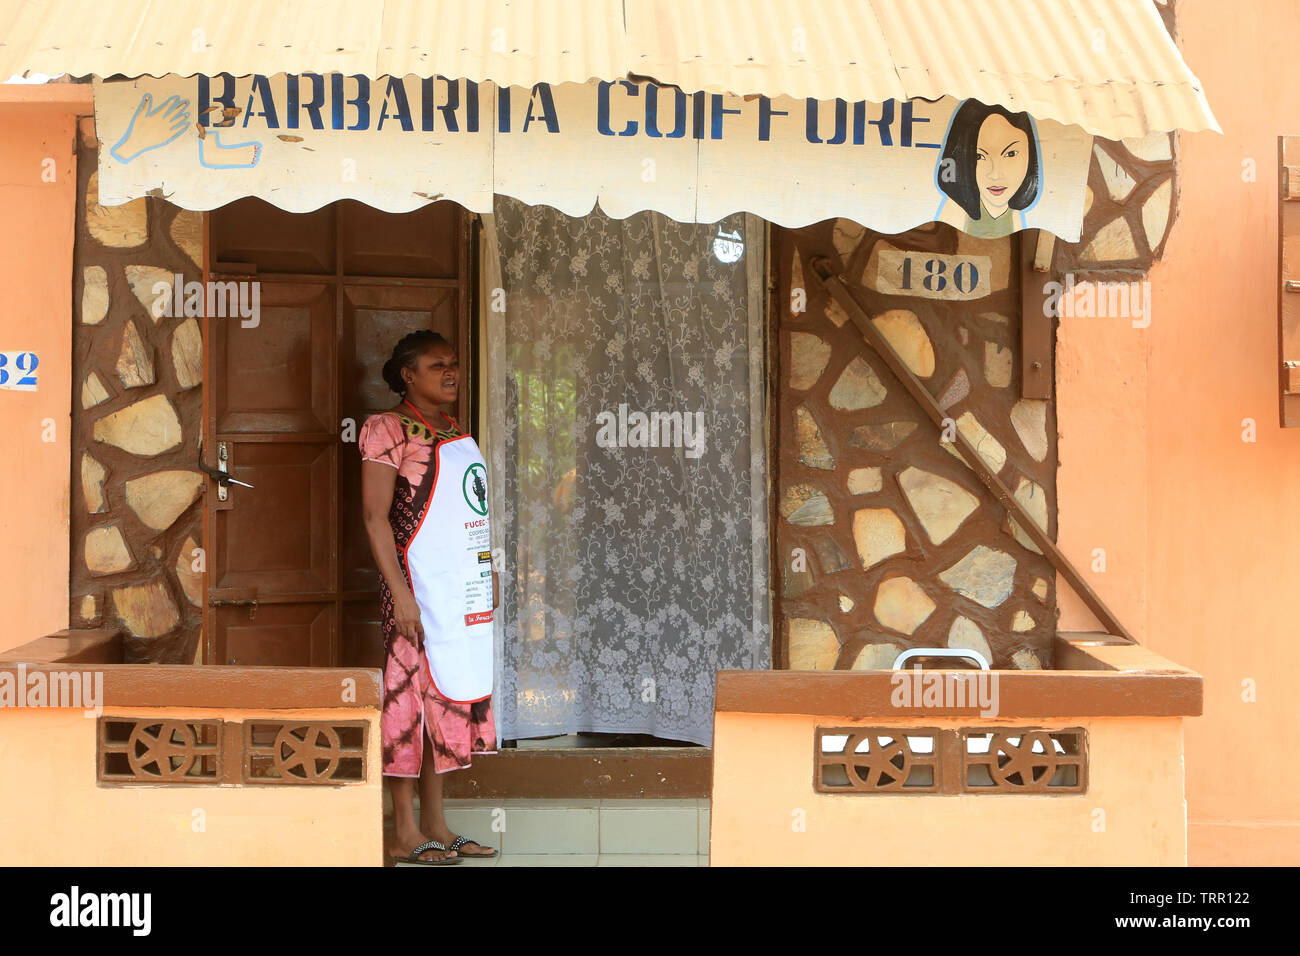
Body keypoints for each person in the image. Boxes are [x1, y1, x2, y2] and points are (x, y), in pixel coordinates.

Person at [359, 329, 499, 865]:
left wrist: (487, 578)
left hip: (461, 591)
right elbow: (375, 517)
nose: (451, 372)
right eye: (437, 365)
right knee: (407, 703)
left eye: (455, 363)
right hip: (415, 591)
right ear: (407, 376)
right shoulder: (386, 428)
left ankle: (436, 824)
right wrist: (401, 595)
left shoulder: (454, 429)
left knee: (444, 702)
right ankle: (403, 831)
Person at [935, 99, 1041, 239]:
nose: (995, 174)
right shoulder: (955, 209)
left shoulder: (1018, 215)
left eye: (1010, 154)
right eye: (979, 156)